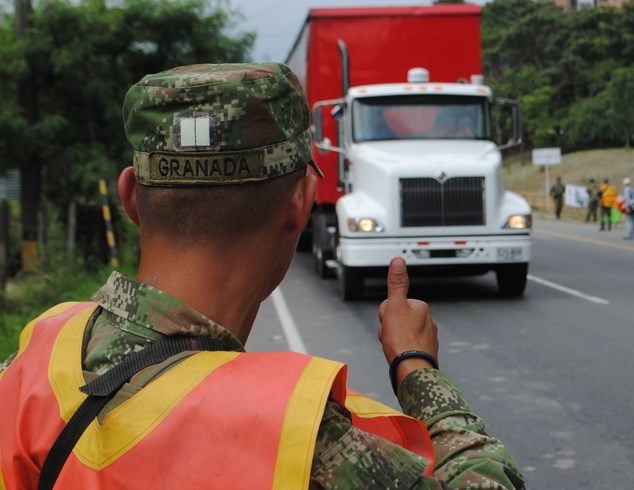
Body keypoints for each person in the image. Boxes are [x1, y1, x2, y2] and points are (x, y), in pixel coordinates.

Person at [0, 63, 524, 489]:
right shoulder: (292, 431)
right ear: (299, 204)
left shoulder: (35, 353)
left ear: (131, 198)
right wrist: (417, 368)